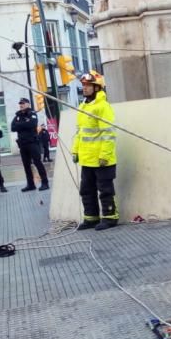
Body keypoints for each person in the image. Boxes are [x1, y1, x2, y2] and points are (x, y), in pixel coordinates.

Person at [72, 71, 119, 231]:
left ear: (97, 88)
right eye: (83, 85)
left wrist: (104, 155)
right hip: (87, 159)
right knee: (86, 190)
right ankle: (91, 218)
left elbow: (108, 133)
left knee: (105, 191)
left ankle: (110, 218)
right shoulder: (83, 107)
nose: (84, 88)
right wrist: (75, 151)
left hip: (102, 160)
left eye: (88, 85)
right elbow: (80, 132)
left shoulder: (103, 107)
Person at [10, 98, 50, 192]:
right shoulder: (18, 115)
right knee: (26, 165)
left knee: (37, 163)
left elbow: (32, 124)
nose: (21, 105)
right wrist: (24, 124)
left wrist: (20, 125)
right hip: (22, 144)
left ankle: (45, 183)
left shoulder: (32, 113)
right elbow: (12, 127)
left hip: (32, 143)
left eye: (23, 103)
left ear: (28, 104)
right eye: (20, 103)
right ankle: (30, 184)